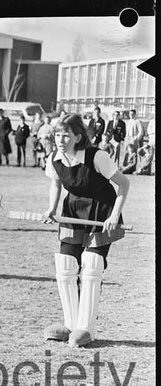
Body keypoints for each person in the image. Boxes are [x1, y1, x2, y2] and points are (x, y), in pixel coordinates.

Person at [42, 114, 129, 348]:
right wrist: (51, 209)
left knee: (91, 264)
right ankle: (70, 325)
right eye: (57, 135)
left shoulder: (97, 156)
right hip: (72, 210)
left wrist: (114, 216)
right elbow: (56, 184)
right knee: (65, 264)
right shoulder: (54, 158)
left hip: (102, 211)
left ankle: (87, 329)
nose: (60, 140)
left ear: (78, 137)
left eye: (66, 135)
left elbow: (124, 184)